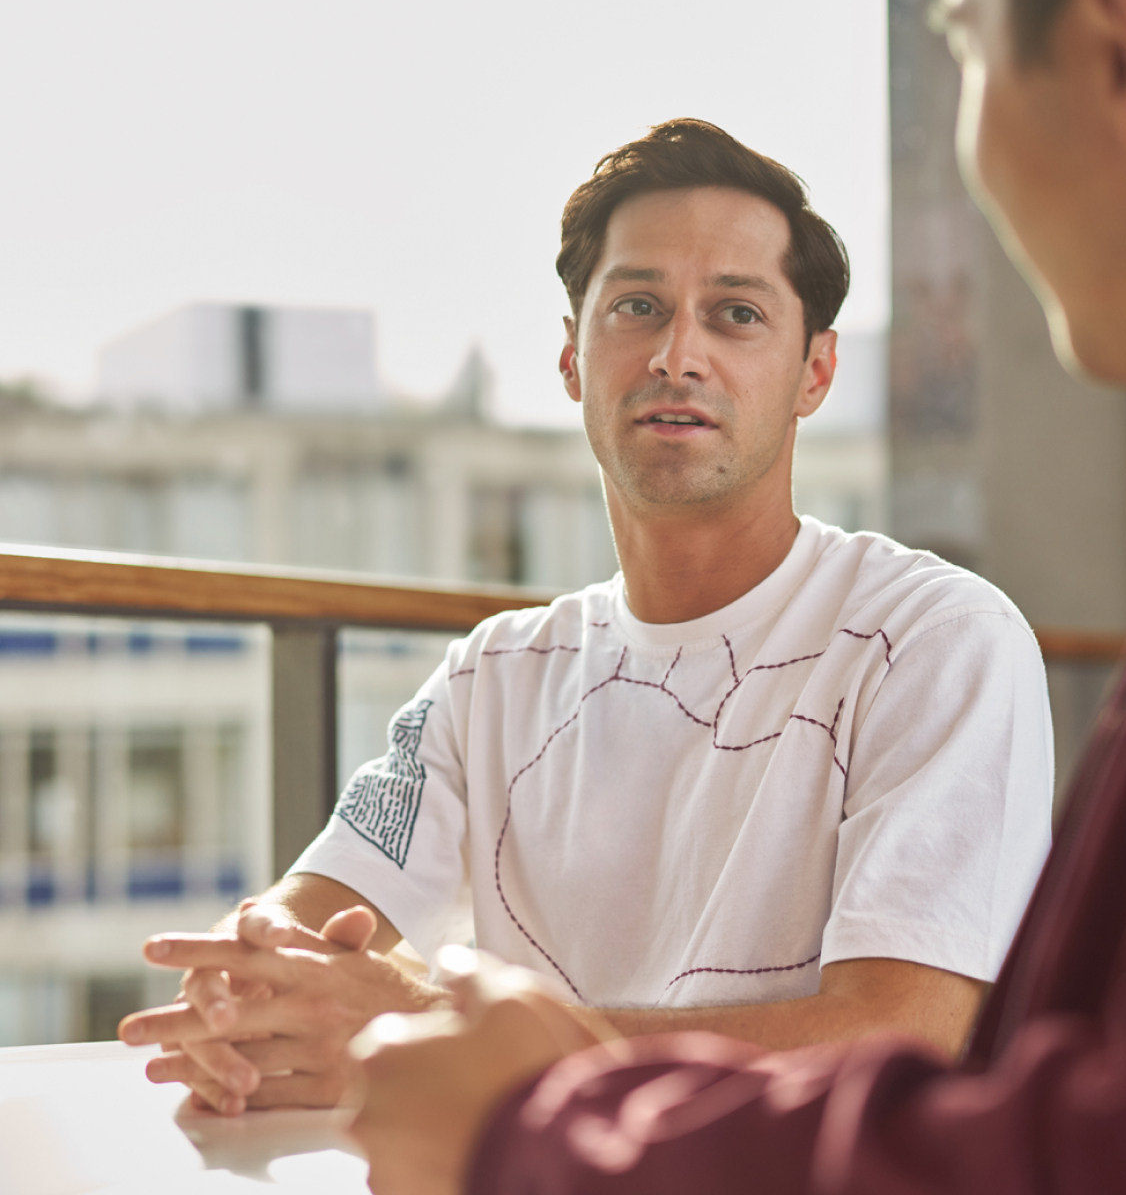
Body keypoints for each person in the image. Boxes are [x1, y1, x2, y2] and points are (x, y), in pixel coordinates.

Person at [344, 0, 1126, 1192]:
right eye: (638, 307)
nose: (679, 354)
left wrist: (552, 1128)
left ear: (1115, 48)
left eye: (961, 44)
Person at [119, 119, 1055, 1116]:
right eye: (637, 306)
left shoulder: (936, 641)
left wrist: (440, 1025)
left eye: (735, 314)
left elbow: (908, 1032)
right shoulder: (492, 675)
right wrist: (247, 989)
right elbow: (299, 931)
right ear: (571, 358)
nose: (676, 354)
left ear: (813, 373)